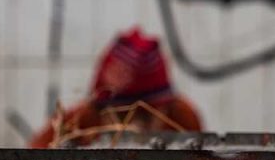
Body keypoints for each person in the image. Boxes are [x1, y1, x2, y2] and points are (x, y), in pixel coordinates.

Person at [29, 27, 202, 148]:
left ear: (165, 107)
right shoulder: (80, 120)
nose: (133, 127)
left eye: (145, 115)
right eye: (122, 115)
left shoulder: (181, 118)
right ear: (101, 109)